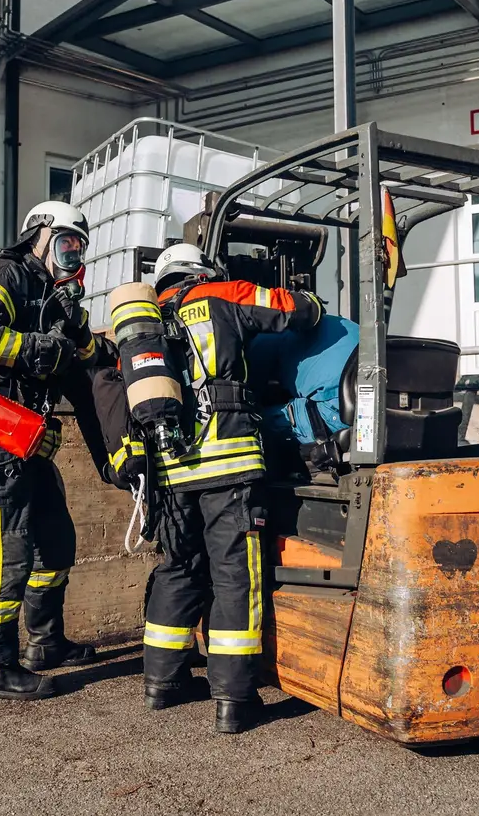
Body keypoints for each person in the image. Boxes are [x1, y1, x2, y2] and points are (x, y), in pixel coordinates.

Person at [140, 242, 323, 733]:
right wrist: (313, 302)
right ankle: (235, 698)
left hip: (173, 472)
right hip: (229, 464)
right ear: (200, 270)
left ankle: (163, 683)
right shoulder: (222, 294)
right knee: (234, 575)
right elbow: (296, 311)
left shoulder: (145, 325)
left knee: (178, 569)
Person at [0, 200, 104, 700]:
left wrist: (92, 337)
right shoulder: (4, 273)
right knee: (3, 551)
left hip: (32, 439)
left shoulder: (52, 294)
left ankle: (46, 642)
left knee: (55, 541)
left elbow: (85, 353)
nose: (72, 254)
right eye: (66, 242)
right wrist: (46, 349)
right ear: (38, 235)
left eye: (79, 247)